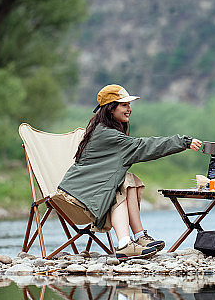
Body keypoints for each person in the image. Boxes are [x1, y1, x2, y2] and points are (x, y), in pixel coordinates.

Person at [57, 84, 202, 259]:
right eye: (124, 105)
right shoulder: (108, 135)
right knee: (119, 188)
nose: (129, 109)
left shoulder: (104, 130)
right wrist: (183, 142)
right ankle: (125, 244)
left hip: (86, 192)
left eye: (129, 105)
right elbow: (145, 146)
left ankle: (140, 237)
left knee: (128, 179)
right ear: (111, 108)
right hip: (76, 197)